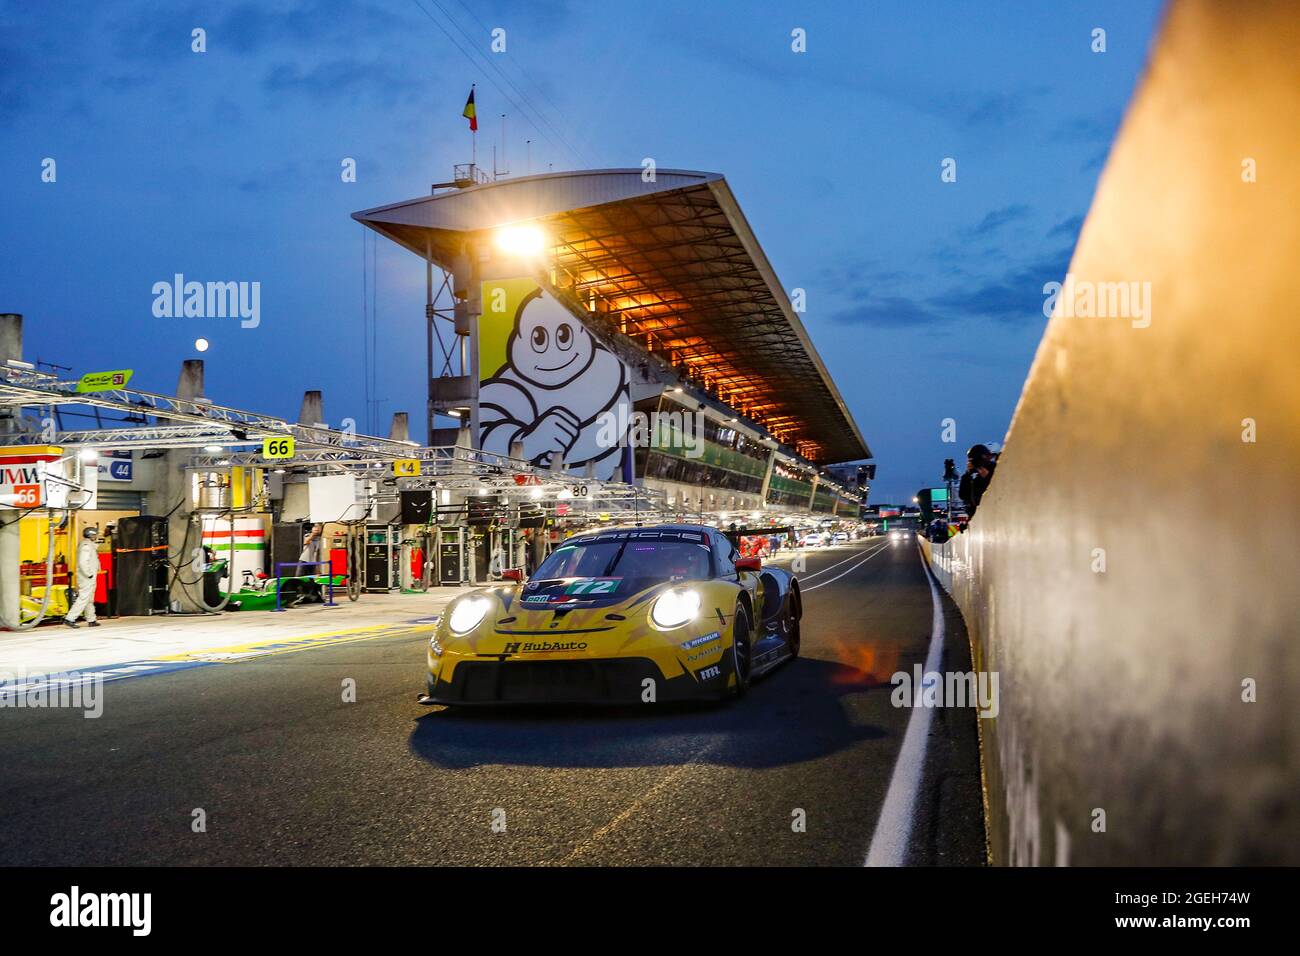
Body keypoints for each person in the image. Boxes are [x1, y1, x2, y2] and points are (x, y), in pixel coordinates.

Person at [64, 527, 102, 628]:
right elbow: (83, 562)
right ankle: (70, 618)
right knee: (83, 597)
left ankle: (91, 619)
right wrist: (89, 573)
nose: (96, 536)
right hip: (87, 577)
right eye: (95, 535)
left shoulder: (89, 545)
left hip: (89, 576)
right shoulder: (86, 546)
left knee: (89, 599)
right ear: (91, 535)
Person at [958, 444, 998, 518]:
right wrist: (968, 475)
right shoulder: (971, 476)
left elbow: (1000, 489)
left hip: (995, 510)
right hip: (979, 515)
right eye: (973, 461)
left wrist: (987, 476)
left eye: (979, 460)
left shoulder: (995, 469)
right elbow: (963, 495)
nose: (977, 463)